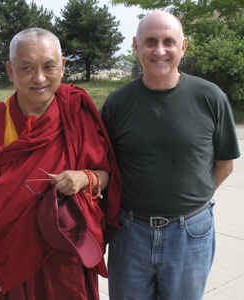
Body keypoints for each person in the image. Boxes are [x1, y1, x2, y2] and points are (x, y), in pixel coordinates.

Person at [0, 27, 121, 300]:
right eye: (27, 68)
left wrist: (84, 178)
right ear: (10, 72)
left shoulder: (75, 110)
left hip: (70, 257)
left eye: (49, 67)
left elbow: (106, 176)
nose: (39, 78)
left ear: (62, 67)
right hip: (14, 260)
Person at [101, 11, 241, 300]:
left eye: (169, 41)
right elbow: (106, 169)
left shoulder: (211, 98)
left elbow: (225, 165)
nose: (160, 50)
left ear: (184, 46)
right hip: (130, 234)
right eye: (150, 41)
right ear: (136, 46)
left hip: (191, 234)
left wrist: (187, 204)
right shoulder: (117, 104)